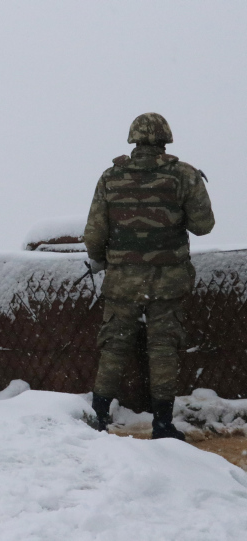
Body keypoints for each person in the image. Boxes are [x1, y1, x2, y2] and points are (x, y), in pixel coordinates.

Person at [84, 113, 215, 440]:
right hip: (167, 282)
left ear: (133, 139)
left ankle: (99, 418)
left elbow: (94, 235)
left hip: (123, 282)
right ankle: (162, 425)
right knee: (163, 351)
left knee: (113, 347)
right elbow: (203, 226)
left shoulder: (111, 176)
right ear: (166, 139)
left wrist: (106, 261)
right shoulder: (183, 175)